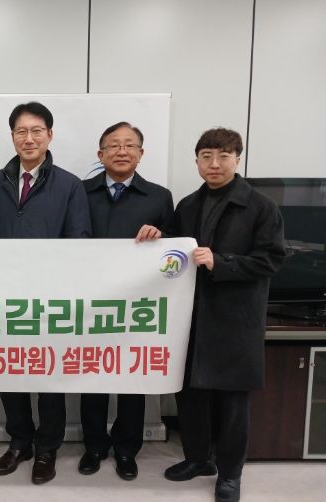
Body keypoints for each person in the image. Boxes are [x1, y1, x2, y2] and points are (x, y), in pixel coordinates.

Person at [163, 128, 285, 502]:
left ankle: (230, 474)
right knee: (190, 395)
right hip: (190, 317)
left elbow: (271, 260)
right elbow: (172, 256)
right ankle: (197, 459)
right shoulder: (187, 206)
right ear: (197, 161)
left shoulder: (261, 206)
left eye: (223, 156)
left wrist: (222, 262)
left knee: (233, 403)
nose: (214, 164)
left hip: (236, 319)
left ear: (237, 159)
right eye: (206, 156)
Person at [0, 102, 91, 484]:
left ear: (49, 134)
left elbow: (79, 240)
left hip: (50, 298)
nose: (28, 138)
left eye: (36, 131)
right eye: (21, 131)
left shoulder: (69, 184)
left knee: (48, 376)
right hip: (5, 298)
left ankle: (47, 447)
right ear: (12, 136)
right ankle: (20, 441)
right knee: (10, 372)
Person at [81, 122, 174, 481]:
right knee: (91, 375)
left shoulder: (158, 196)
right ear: (100, 153)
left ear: (141, 153)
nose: (122, 151)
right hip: (89, 300)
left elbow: (174, 250)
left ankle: (126, 449)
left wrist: (161, 236)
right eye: (114, 145)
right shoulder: (81, 192)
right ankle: (93, 446)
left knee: (132, 377)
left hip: (137, 304)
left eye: (130, 145)